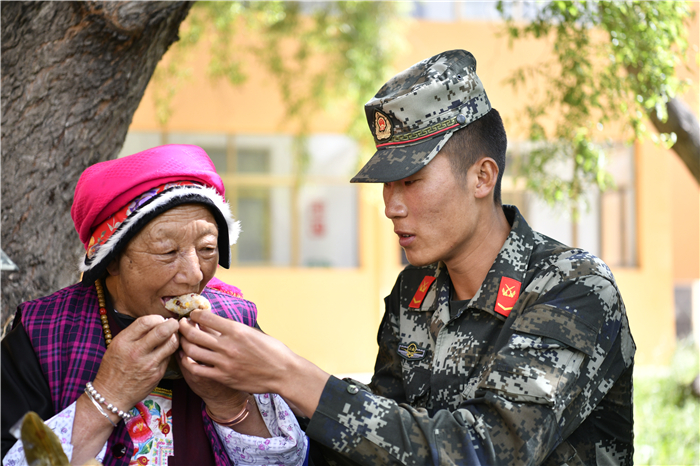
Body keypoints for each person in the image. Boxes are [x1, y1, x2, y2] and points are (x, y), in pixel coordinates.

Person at [176, 50, 636, 465]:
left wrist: (290, 374)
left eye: (410, 180)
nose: (391, 205)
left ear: (482, 177)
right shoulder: (415, 291)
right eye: (387, 184)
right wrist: (236, 406)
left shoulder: (572, 287)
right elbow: (371, 447)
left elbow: (491, 451)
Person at [1, 145, 308, 466]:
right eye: (167, 251)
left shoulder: (237, 321)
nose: (194, 274)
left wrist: (229, 403)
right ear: (112, 260)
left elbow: (295, 461)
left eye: (206, 248)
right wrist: (107, 396)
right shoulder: (43, 332)